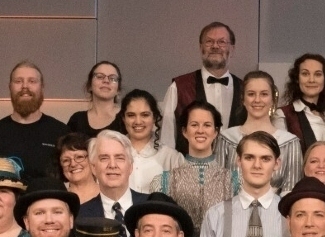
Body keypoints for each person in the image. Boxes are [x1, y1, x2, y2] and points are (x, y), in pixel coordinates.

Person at [151, 102, 240, 237]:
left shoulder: (234, 180)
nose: (200, 130)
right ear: (184, 131)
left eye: (207, 125)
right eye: (194, 125)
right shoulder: (164, 181)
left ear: (216, 132)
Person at [195, 131, 288, 237]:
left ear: (276, 163)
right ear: (238, 161)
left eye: (265, 159)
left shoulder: (290, 214)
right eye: (249, 157)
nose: (257, 165)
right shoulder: (215, 215)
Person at [0, 62, 69, 186]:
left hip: (48, 203)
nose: (25, 86)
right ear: (10, 87)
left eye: (32, 81)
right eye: (18, 81)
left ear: (42, 88)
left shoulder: (60, 132)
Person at [160, 21, 246, 152]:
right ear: (201, 48)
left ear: (232, 49)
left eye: (222, 42)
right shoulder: (179, 87)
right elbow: (166, 140)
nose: (215, 46)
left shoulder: (245, 90)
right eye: (209, 42)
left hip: (235, 169)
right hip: (188, 167)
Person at [78, 129, 147, 237]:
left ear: (130, 166)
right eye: (104, 158)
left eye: (120, 158)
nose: (112, 165)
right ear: (94, 168)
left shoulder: (152, 208)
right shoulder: (79, 216)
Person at [218, 72, 304, 192]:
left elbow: (292, 191)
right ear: (243, 99)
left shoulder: (290, 142)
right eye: (251, 94)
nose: (257, 100)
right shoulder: (226, 138)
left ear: (273, 99)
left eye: (264, 94)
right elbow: (218, 189)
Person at [122, 89, 184, 194]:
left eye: (145, 115)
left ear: (154, 118)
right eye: (131, 115)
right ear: (123, 118)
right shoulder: (112, 154)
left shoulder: (171, 157)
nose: (138, 121)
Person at [280, 54, 325, 150]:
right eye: (305, 74)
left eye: (318, 74)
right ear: (297, 79)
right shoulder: (283, 115)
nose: (311, 80)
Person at [66, 61, 125, 138]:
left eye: (112, 78)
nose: (106, 81)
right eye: (100, 77)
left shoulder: (126, 118)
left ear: (118, 90)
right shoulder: (77, 120)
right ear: (89, 85)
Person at [58, 132, 101, 203]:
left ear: (92, 159)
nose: (73, 164)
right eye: (66, 160)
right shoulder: (58, 200)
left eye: (79, 157)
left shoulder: (108, 194)